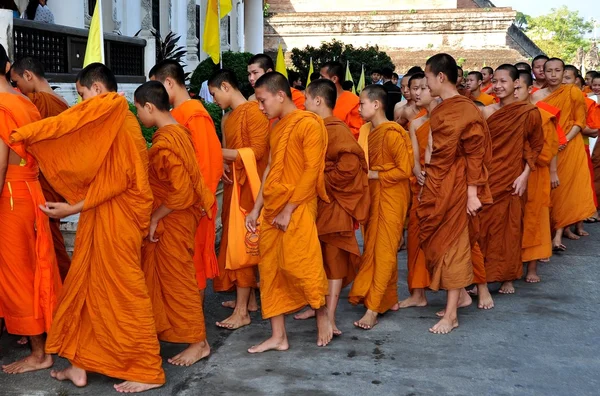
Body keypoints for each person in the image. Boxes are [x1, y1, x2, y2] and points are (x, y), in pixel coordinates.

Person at [12, 63, 165, 392]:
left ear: (98, 90)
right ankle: (80, 365)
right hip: (103, 219)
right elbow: (78, 141)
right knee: (86, 292)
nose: (81, 105)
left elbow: (118, 180)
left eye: (82, 96)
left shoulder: (120, 121)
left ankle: (146, 368)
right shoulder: (110, 121)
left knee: (126, 295)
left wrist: (71, 206)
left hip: (119, 222)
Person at [245, 72, 332, 352]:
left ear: (280, 95)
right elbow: (270, 169)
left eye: (263, 101)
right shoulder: (278, 127)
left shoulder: (310, 124)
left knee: (303, 265)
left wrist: (290, 208)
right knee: (269, 270)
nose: (261, 107)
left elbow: (311, 169)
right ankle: (278, 336)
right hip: (272, 207)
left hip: (299, 206)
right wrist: (257, 208)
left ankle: (323, 318)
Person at [135, 81, 213, 366]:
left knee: (179, 280)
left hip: (174, 219)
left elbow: (182, 192)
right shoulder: (177, 132)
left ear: (149, 107)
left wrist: (155, 217)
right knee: (162, 278)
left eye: (137, 110)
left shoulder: (168, 141)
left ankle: (198, 342)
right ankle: (167, 330)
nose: (138, 116)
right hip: (175, 217)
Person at [418, 53, 492, 334]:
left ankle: (451, 316)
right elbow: (436, 151)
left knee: (455, 246)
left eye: (426, 77)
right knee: (439, 241)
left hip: (459, 186)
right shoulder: (440, 109)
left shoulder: (465, 109)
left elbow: (475, 152)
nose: (425, 82)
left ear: (439, 77)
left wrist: (473, 193)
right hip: (439, 184)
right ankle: (459, 296)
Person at [0, 43, 61, 375]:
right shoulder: (25, 102)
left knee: (17, 274)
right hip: (30, 187)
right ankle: (43, 340)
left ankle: (39, 353)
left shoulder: (1, 106)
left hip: (9, 194)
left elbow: (1, 163)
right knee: (35, 267)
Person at [295, 79, 370, 335]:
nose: (303, 104)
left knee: (334, 259)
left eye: (306, 98)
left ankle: (330, 316)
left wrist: (321, 181)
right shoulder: (316, 126)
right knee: (316, 258)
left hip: (335, 204)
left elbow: (349, 166)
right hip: (318, 203)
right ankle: (317, 306)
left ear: (317, 100)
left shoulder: (335, 129)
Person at [149, 60, 223, 294]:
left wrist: (202, 200)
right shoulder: (177, 114)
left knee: (193, 269)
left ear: (169, 82)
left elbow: (207, 163)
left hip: (194, 206)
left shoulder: (194, 114)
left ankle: (194, 326)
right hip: (175, 206)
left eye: (157, 86)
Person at [208, 69, 269, 329]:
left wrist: (214, 151)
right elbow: (229, 150)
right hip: (234, 185)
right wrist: (222, 159)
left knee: (244, 244)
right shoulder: (228, 117)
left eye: (214, 94)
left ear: (226, 86)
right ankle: (250, 300)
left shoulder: (254, 112)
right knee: (237, 244)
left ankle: (243, 311)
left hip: (249, 187)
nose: (213, 100)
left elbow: (255, 152)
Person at [350, 84, 413, 329]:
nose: (358, 108)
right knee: (375, 247)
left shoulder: (393, 132)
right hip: (376, 196)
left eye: (362, 103)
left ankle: (373, 308)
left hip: (393, 196)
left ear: (376, 105)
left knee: (385, 251)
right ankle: (389, 298)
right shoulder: (372, 131)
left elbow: (405, 169)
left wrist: (375, 175)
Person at [478, 64, 544, 296]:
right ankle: (482, 276)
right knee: (483, 226)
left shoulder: (529, 113)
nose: (498, 86)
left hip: (514, 178)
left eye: (503, 81)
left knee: (511, 227)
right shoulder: (487, 111)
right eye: (495, 81)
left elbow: (535, 147)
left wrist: (525, 175)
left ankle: (508, 276)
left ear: (516, 84)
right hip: (488, 176)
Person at [10, 56, 71, 281]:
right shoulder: (61, 100)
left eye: (16, 82)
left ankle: (64, 290)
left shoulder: (38, 102)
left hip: (46, 178)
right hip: (59, 177)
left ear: (28, 76)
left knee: (51, 244)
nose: (16, 88)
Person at [531, 58, 596, 252]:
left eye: (557, 70)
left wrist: (564, 139)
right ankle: (545, 234)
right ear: (541, 72)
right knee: (546, 191)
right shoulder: (537, 96)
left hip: (569, 145)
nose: (553, 75)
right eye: (549, 70)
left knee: (564, 190)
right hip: (546, 148)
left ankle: (557, 235)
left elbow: (579, 121)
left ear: (562, 72)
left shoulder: (573, 92)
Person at [515, 71, 559, 283]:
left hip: (535, 174)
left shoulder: (542, 115)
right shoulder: (499, 113)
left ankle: (532, 268)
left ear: (529, 89)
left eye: (518, 89)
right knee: (510, 221)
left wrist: (523, 151)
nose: (514, 93)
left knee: (535, 219)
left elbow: (548, 150)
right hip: (508, 175)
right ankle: (509, 268)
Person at [397, 75, 437, 309]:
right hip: (421, 186)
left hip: (445, 185)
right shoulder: (415, 123)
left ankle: (465, 289)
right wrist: (419, 171)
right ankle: (418, 293)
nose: (418, 92)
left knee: (452, 240)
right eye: (416, 88)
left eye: (423, 88)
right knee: (416, 240)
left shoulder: (449, 117)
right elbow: (414, 157)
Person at [563, 65, 600, 226]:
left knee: (578, 185)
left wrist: (575, 127)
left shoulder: (587, 101)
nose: (562, 81)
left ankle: (576, 221)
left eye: (567, 78)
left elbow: (593, 130)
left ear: (577, 80)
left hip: (578, 146)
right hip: (555, 146)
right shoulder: (543, 97)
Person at [320, 61, 363, 138]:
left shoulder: (353, 101)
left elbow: (357, 131)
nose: (319, 80)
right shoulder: (319, 99)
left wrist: (331, 133)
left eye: (322, 77)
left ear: (334, 79)